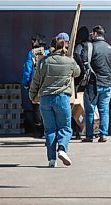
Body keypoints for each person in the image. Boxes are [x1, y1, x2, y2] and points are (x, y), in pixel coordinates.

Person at [29, 37, 81, 168]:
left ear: (52, 47)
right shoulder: (69, 61)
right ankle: (62, 149)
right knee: (65, 127)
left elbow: (35, 81)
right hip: (62, 98)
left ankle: (52, 160)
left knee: (50, 129)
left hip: (45, 99)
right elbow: (77, 72)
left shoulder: (44, 62)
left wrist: (32, 96)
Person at [82, 25, 111, 143]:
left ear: (96, 34)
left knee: (90, 110)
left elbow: (83, 64)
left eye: (92, 33)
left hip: (93, 84)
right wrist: (109, 81)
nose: (91, 35)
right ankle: (103, 135)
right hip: (107, 84)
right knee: (104, 110)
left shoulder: (90, 47)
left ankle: (89, 135)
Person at [21, 33, 49, 137]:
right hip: (48, 83)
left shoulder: (32, 53)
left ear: (36, 41)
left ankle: (39, 129)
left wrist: (25, 83)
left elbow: (27, 69)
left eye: (33, 40)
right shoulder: (49, 52)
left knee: (36, 106)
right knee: (47, 107)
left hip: (35, 83)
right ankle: (48, 129)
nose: (32, 42)